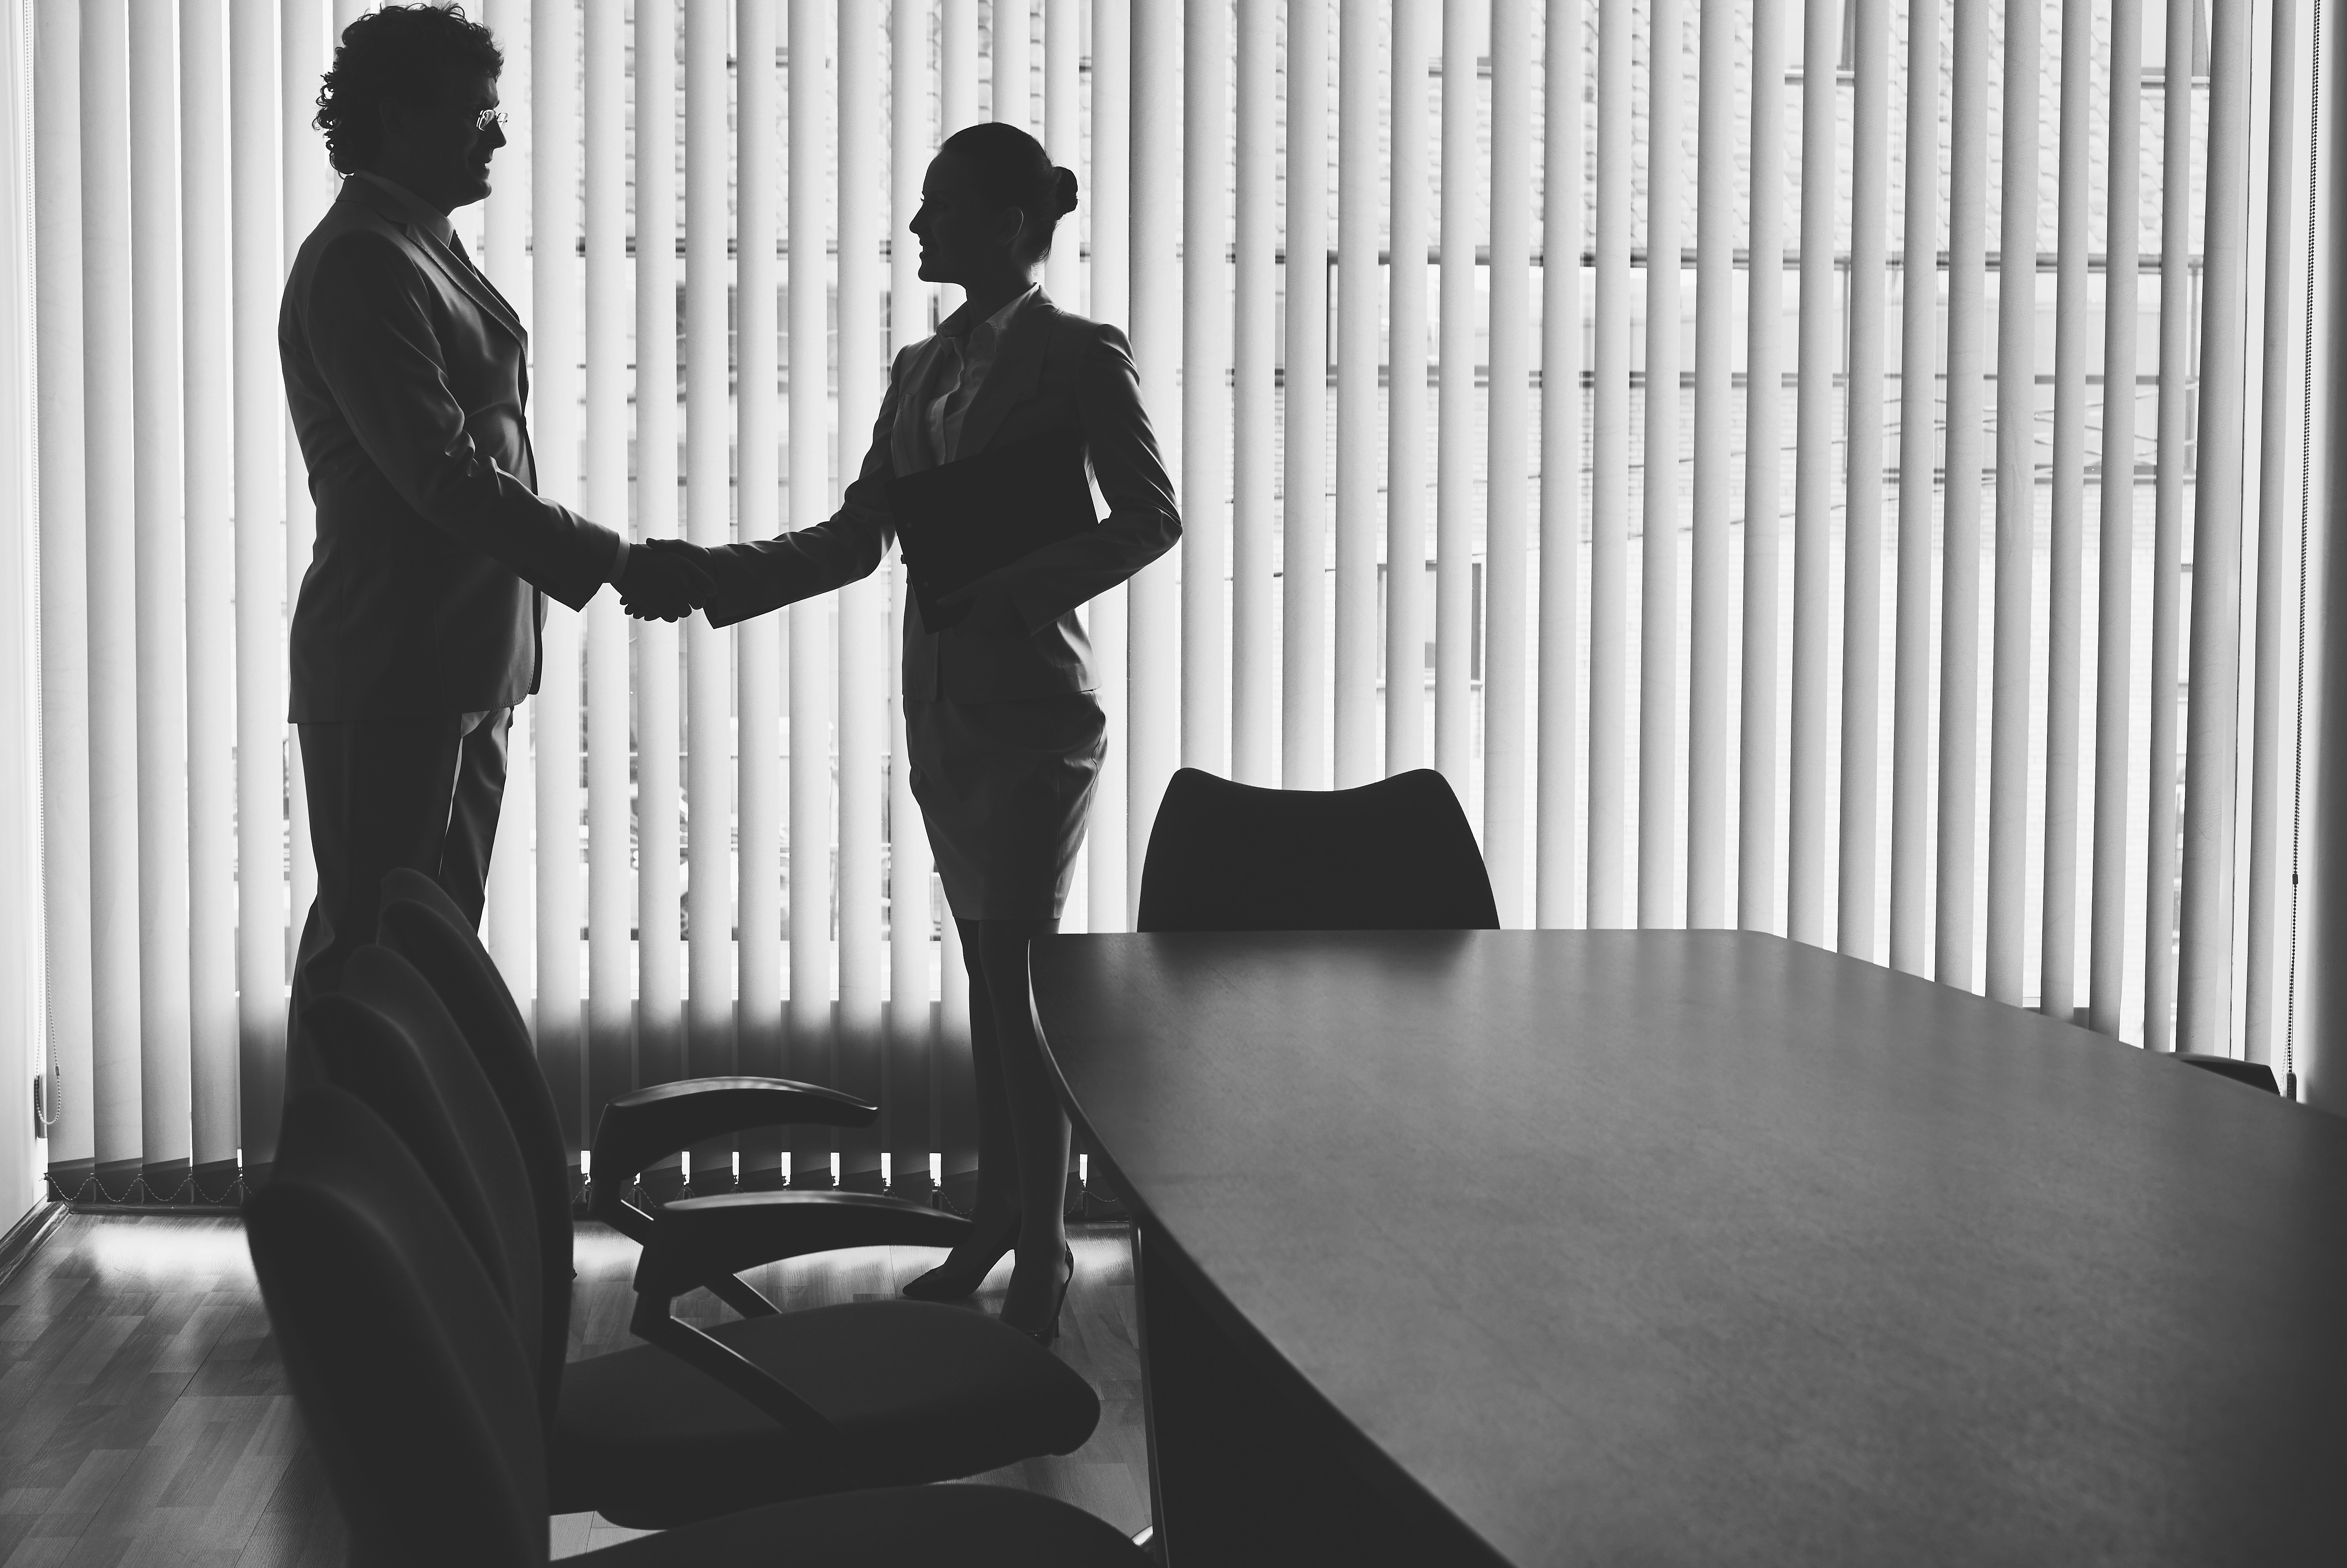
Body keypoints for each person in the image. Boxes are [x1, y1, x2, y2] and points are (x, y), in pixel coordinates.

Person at [627, 123, 1180, 1342]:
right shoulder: (917, 370)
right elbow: (854, 537)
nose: (918, 228)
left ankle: (1039, 1254)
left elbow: (1151, 518)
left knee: (1017, 990)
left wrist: (1018, 584)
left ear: (1004, 223)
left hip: (1035, 717)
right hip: (942, 717)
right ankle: (996, 1223)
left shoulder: (1081, 354)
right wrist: (705, 575)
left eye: (937, 207)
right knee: (990, 989)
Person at [280, 4, 711, 1086]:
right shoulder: (362, 264)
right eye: (476, 116)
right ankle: (357, 1222)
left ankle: (423, 1205)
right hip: (393, 666)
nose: (498, 139)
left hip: (463, 664)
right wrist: (615, 558)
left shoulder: (420, 245)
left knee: (429, 956)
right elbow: (443, 479)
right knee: (379, 962)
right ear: (396, 117)